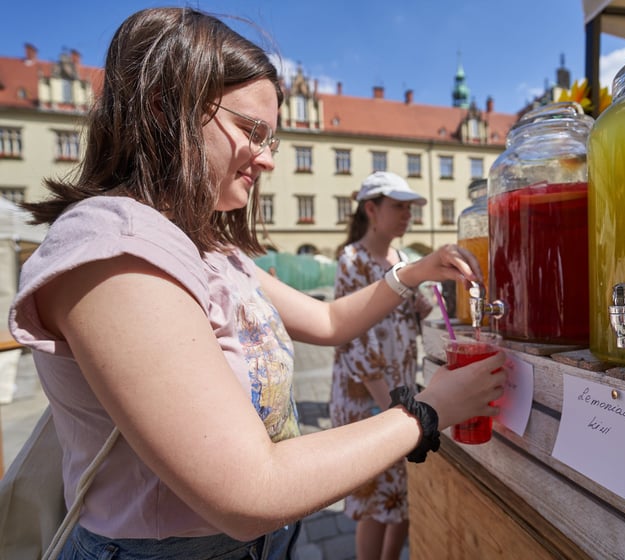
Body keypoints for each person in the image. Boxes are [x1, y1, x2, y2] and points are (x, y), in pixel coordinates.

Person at [7, 8, 506, 560]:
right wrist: (427, 412)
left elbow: (329, 320)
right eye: (252, 131)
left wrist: (414, 270)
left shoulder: (207, 247)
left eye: (272, 139)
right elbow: (250, 491)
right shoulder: (115, 248)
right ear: (164, 109)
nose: (267, 160)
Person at [331, 171, 434, 560]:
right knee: (374, 499)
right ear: (371, 210)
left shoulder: (403, 259)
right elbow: (354, 339)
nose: (407, 214)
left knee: (402, 488)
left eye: (410, 208)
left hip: (399, 392)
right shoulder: (353, 260)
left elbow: (410, 319)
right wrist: (393, 406)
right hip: (369, 399)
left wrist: (425, 307)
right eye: (398, 206)